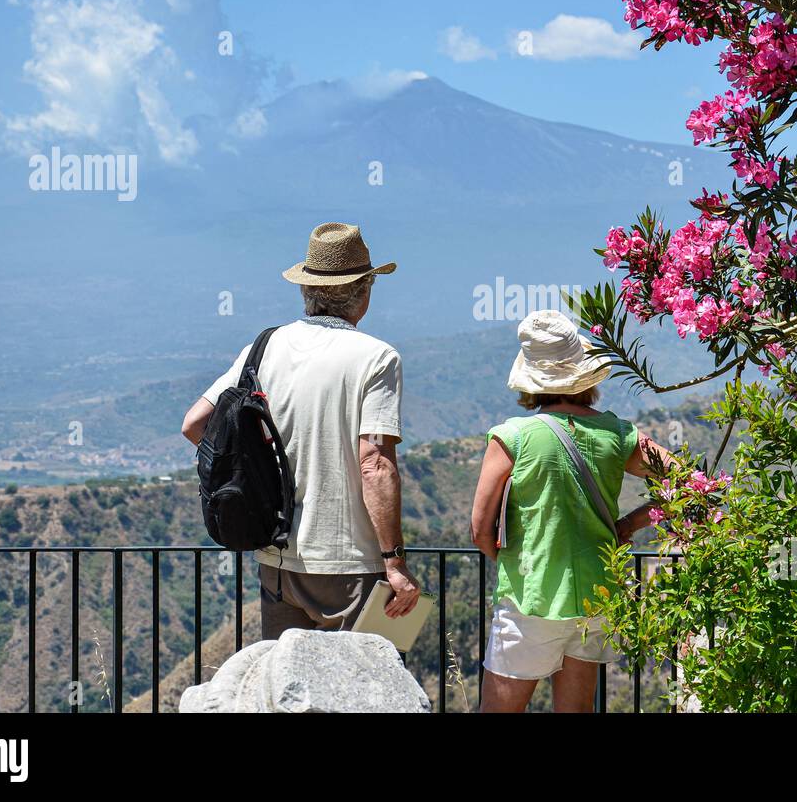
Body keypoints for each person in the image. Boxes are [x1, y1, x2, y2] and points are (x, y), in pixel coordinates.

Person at [181, 222, 420, 638]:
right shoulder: (377, 358)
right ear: (364, 291)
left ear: (306, 289)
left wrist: (257, 469)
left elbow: (195, 425)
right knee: (361, 690)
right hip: (350, 565)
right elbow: (375, 464)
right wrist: (395, 563)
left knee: (289, 691)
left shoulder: (264, 346)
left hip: (277, 560)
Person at [469, 309, 672, 712]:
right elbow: (686, 484)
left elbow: (479, 529)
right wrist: (630, 523)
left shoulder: (512, 437)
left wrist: (512, 560)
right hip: (598, 597)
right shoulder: (618, 433)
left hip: (531, 597)